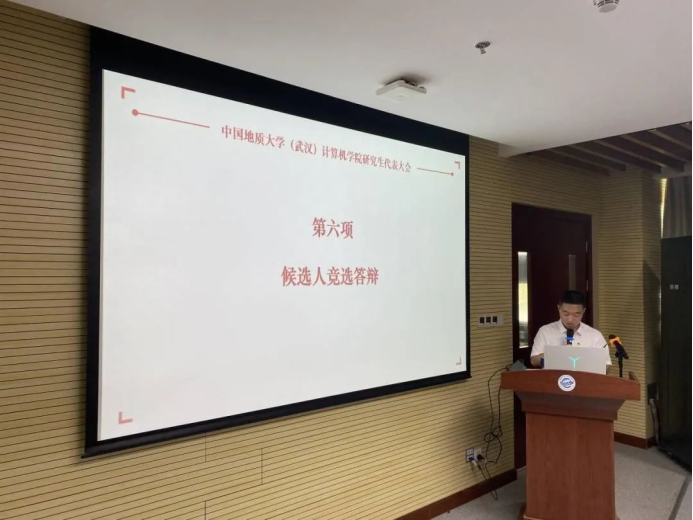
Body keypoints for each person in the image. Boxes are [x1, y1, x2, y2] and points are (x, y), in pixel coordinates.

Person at [530, 290, 611, 371]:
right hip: (553, 377)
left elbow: (606, 366)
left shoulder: (595, 335)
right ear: (559, 308)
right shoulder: (545, 331)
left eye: (576, 315)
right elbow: (534, 360)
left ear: (583, 311)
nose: (570, 319)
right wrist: (558, 354)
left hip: (585, 378)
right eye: (566, 314)